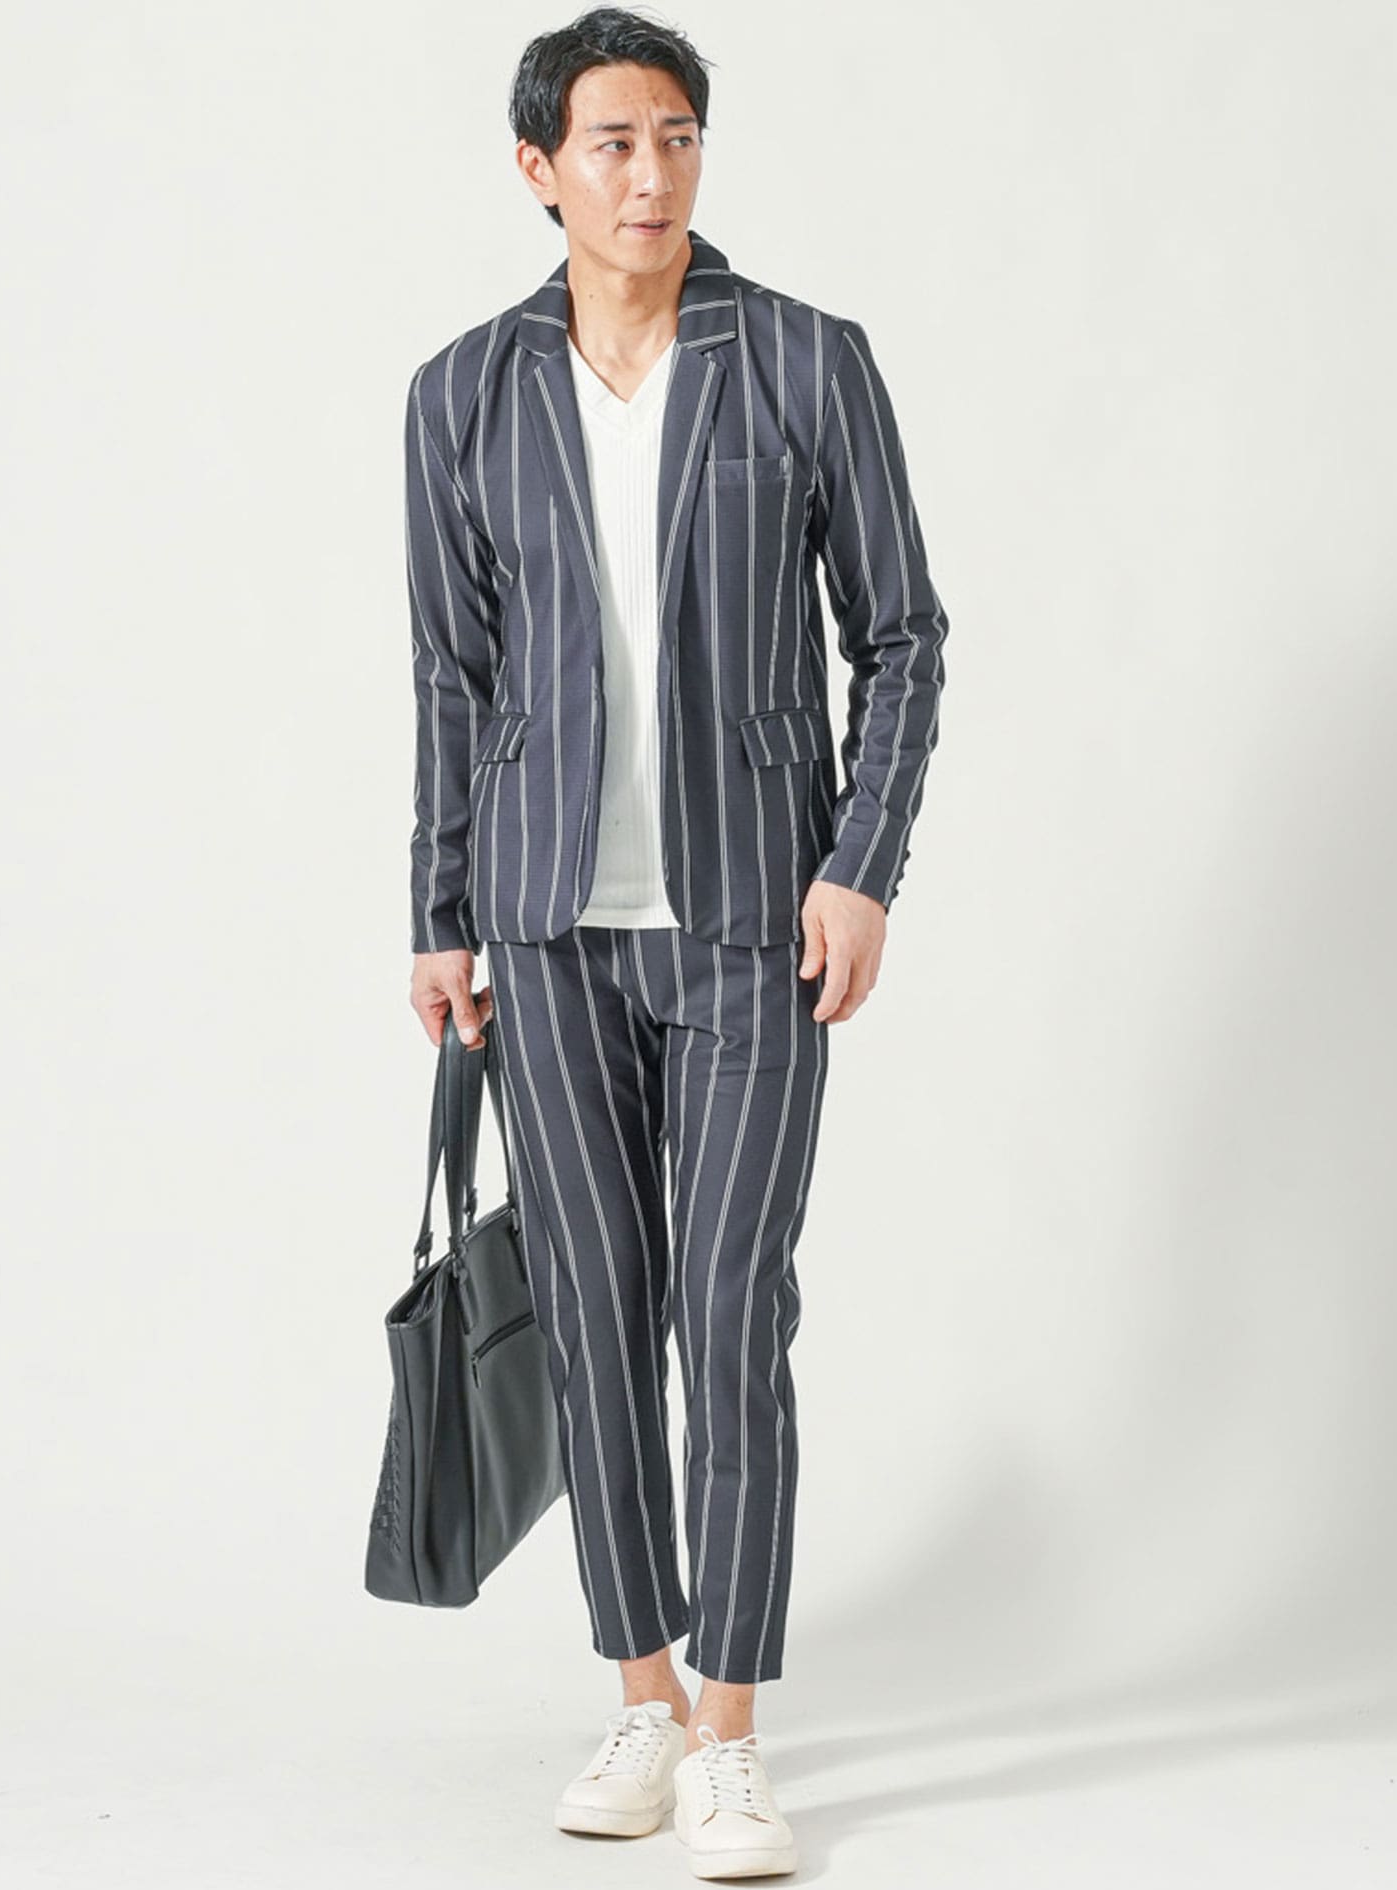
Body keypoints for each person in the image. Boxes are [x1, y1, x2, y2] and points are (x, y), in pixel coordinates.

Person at [404, 7, 949, 1878]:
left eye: (680, 139)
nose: (654, 176)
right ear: (541, 169)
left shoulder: (802, 359)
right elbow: (452, 677)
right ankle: (637, 1694)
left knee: (729, 1306)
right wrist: (439, 913)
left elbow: (903, 634)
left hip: (748, 923)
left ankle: (730, 1728)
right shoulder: (463, 394)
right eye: (616, 144)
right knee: (595, 1313)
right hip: (545, 931)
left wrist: (860, 863)